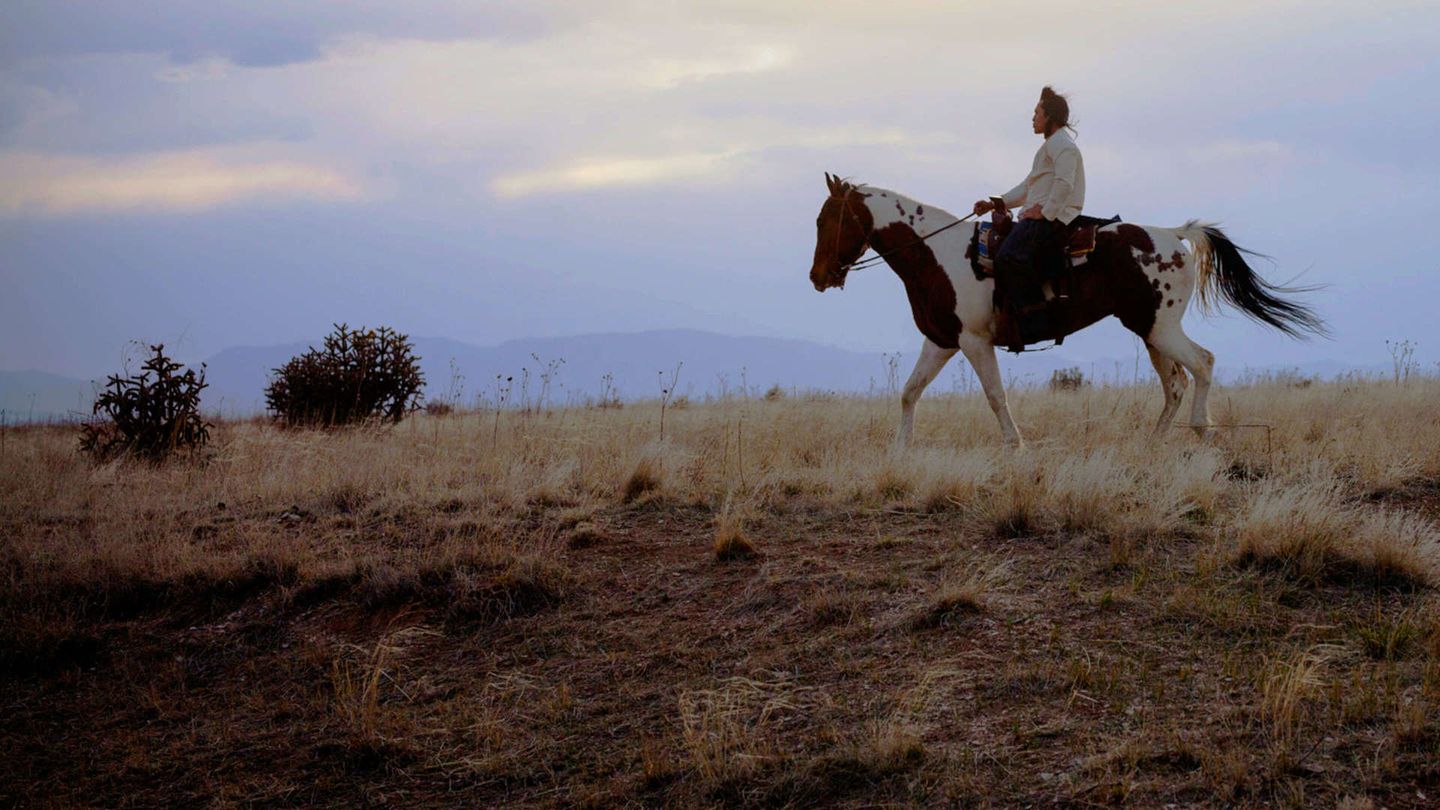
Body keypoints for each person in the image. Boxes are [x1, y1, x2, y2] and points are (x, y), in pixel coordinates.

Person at [973, 86, 1085, 344]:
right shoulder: (1050, 147)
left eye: (1037, 113)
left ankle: (1034, 318)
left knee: (1007, 256)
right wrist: (993, 204)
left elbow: (1065, 184)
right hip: (1039, 214)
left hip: (1054, 218)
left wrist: (1044, 213)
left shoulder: (1063, 146)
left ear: (1050, 118)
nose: (1033, 118)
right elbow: (1027, 188)